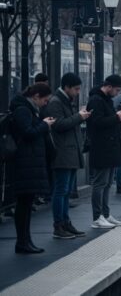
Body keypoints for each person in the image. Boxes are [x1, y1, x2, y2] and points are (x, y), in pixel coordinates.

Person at [43, 73, 90, 239]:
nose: (77, 92)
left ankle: (66, 222)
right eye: (76, 89)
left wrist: (78, 116)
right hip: (62, 153)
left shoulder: (65, 100)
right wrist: (79, 117)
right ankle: (59, 225)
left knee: (66, 191)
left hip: (69, 152)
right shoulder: (56, 102)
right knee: (61, 190)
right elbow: (60, 125)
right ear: (67, 87)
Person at [9, 83, 55, 253]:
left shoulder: (28, 108)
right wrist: (44, 125)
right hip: (24, 162)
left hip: (28, 162)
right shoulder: (23, 110)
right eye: (44, 100)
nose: (45, 103)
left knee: (26, 204)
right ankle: (22, 241)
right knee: (23, 204)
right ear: (35, 96)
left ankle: (26, 240)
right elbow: (28, 132)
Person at [86, 75, 121, 229]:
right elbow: (96, 122)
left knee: (108, 183)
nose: (117, 93)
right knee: (99, 183)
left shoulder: (106, 100)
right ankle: (97, 217)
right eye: (117, 90)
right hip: (101, 147)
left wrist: (117, 117)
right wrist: (116, 118)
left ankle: (105, 213)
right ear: (109, 87)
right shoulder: (96, 100)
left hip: (110, 147)